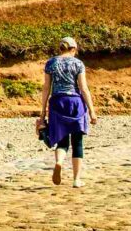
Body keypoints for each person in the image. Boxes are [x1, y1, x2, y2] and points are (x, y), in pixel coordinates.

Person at [37, 35, 93, 188]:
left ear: (61, 48)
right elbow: (83, 88)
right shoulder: (78, 64)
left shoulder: (51, 63)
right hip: (75, 102)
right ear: (73, 49)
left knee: (62, 140)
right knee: (77, 142)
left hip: (57, 102)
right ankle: (76, 180)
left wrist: (43, 112)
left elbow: (46, 88)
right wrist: (92, 112)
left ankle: (59, 162)